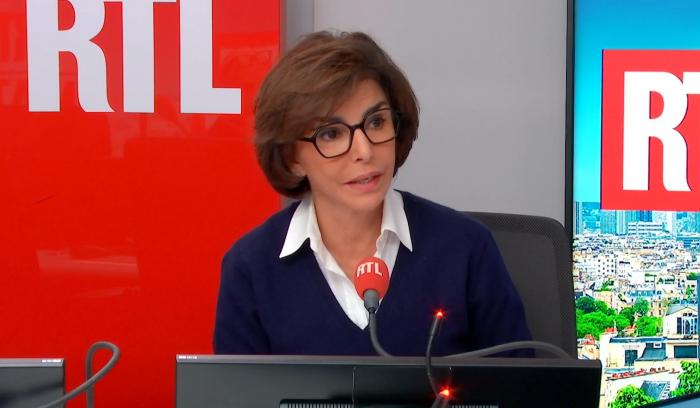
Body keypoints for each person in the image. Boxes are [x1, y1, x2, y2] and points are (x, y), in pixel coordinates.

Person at [213, 31, 531, 356]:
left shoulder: (465, 247)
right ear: (292, 157)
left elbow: (519, 382)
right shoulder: (251, 267)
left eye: (376, 122)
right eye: (332, 134)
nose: (364, 151)